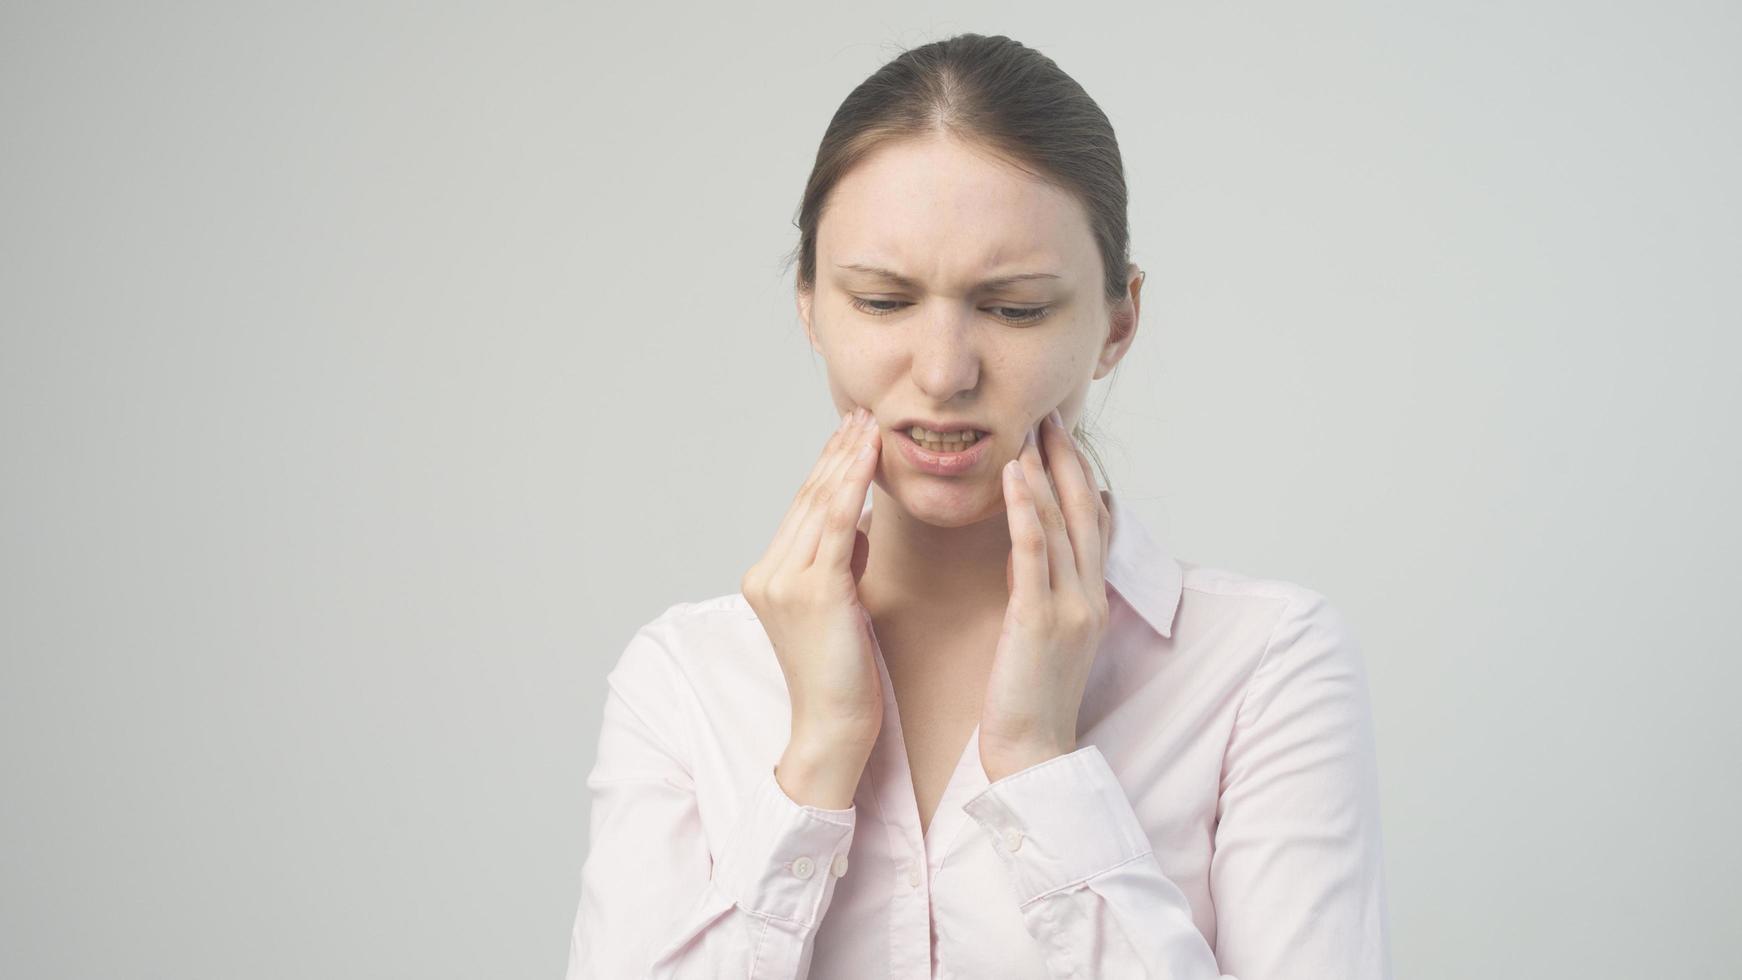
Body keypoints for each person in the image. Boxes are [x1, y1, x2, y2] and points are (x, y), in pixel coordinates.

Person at [566, 32, 1391, 980]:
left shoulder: (1262, 669)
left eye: (1015, 308)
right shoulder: (686, 679)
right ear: (808, 305)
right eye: (882, 301)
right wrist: (819, 756)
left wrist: (1043, 766)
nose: (944, 372)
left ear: (1118, 321)